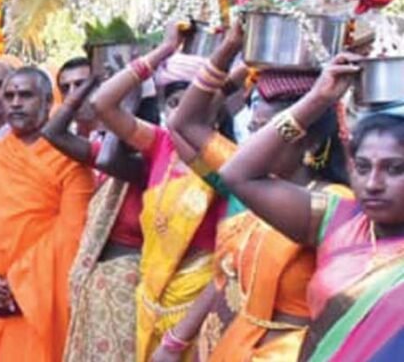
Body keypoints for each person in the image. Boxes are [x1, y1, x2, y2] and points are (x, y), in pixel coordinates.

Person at [159, 21, 350, 361]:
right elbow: (184, 124)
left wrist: (317, 100)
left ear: (308, 140)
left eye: (267, 131)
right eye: (253, 130)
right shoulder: (258, 182)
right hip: (229, 344)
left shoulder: (334, 202)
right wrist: (230, 46)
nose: (253, 142)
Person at [220, 56, 404, 361]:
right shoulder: (339, 219)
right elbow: (238, 175)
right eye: (362, 166)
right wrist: (317, 99)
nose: (373, 183)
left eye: (395, 169)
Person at [90, 24, 231, 361]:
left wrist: (176, 342)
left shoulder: (229, 160)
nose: (182, 112)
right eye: (174, 103)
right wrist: (162, 52)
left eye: (193, 102)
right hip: (151, 302)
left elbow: (228, 266)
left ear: (216, 106)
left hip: (198, 310)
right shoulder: (159, 144)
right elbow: (103, 103)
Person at [0, 67, 94, 362]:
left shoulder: (71, 161)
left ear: (47, 102)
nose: (15, 102)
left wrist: (20, 283)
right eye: (10, 96)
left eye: (25, 95)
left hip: (38, 300)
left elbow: (72, 237)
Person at [41, 70, 146, 362]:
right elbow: (53, 133)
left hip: (131, 291)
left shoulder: (146, 165)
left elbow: (110, 158)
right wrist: (91, 83)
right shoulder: (111, 156)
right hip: (95, 287)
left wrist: (127, 100)